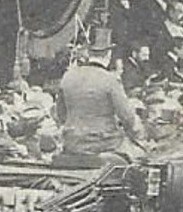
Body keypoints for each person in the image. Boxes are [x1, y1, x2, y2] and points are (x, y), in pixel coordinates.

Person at [57, 30, 146, 160]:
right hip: (103, 143)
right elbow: (127, 118)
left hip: (72, 143)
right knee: (141, 157)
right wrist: (138, 134)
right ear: (109, 55)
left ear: (88, 53)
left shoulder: (68, 76)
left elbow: (60, 114)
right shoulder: (110, 80)